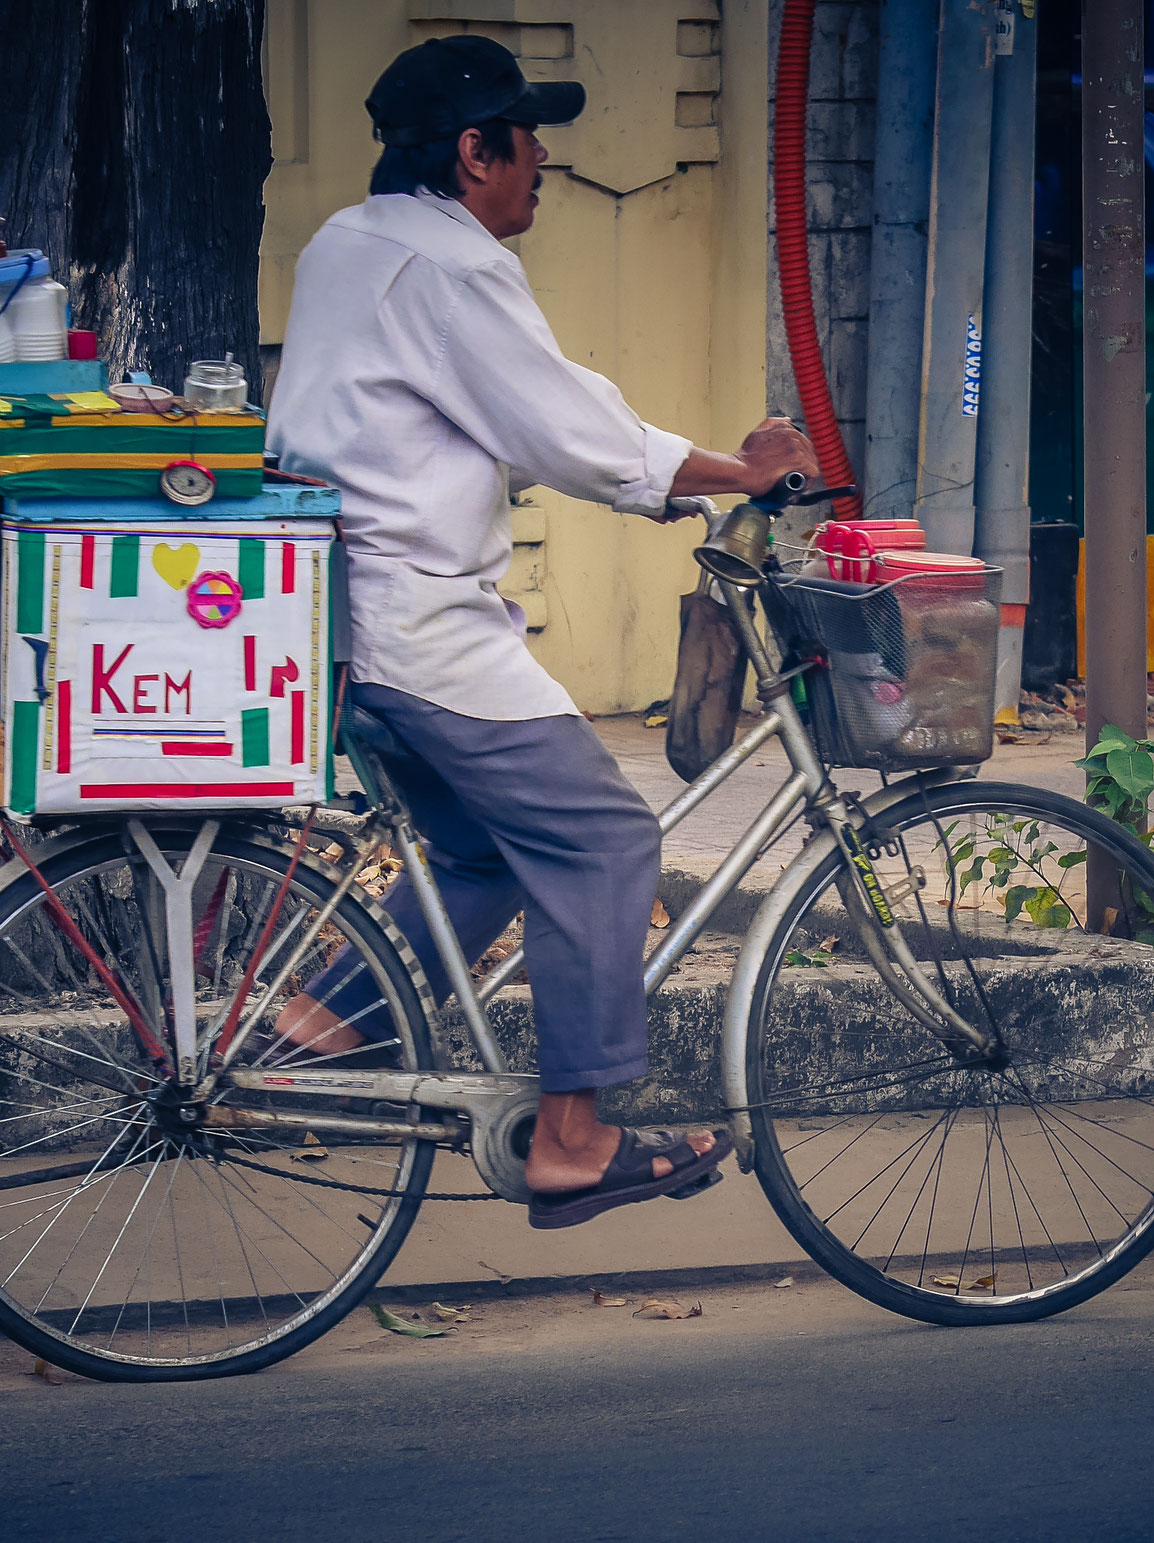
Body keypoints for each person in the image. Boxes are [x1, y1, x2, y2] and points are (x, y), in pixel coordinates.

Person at [264, 35, 817, 1230]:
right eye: (525, 136)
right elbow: (565, 426)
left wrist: (692, 472)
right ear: (473, 153)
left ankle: (314, 1026)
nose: (543, 157)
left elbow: (532, 401)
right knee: (606, 841)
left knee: (475, 851)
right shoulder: (447, 266)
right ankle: (573, 1138)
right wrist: (739, 474)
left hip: (347, 627)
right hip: (421, 626)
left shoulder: (349, 245)